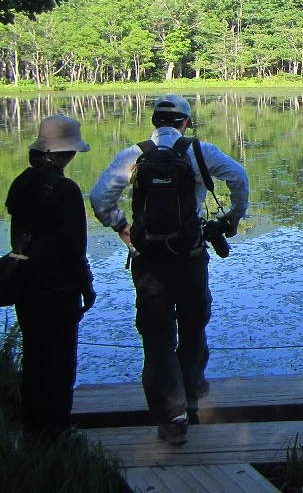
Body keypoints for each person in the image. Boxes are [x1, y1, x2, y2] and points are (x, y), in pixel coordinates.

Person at [90, 95, 248, 445]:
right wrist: (233, 217)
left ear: (154, 122)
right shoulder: (200, 152)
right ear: (185, 123)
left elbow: (99, 198)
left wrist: (122, 226)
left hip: (149, 261)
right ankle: (193, 391)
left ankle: (172, 419)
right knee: (194, 323)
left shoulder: (133, 155)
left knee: (157, 337)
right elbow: (239, 177)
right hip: (190, 257)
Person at [5, 115, 95, 436]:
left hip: (26, 285)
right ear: (64, 153)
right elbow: (75, 248)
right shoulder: (65, 189)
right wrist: (86, 286)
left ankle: (32, 429)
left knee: (34, 359)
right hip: (58, 289)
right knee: (59, 364)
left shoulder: (21, 182)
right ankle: (56, 432)